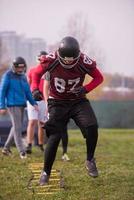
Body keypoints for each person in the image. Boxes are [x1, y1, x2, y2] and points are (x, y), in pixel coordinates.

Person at [31, 36, 104, 185]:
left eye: (72, 59)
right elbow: (35, 74)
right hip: (57, 102)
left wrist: (85, 88)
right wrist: (34, 89)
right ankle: (46, 172)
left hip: (77, 101)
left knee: (91, 126)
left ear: (78, 54)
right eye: (66, 59)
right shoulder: (51, 59)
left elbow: (99, 78)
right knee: (54, 136)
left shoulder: (84, 61)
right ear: (60, 54)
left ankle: (90, 159)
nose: (69, 62)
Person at [0, 57, 38, 159]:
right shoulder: (7, 75)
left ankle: (6, 148)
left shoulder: (23, 77)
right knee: (18, 128)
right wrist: (2, 106)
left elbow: (27, 92)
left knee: (15, 127)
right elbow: (2, 91)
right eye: (18, 68)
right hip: (12, 105)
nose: (20, 69)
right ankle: (22, 152)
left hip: (22, 104)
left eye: (22, 67)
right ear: (14, 67)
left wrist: (33, 103)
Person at [43, 71, 70, 161]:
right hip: (53, 102)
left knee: (63, 128)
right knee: (52, 129)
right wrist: (48, 104)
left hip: (65, 102)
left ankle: (64, 153)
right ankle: (49, 151)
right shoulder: (49, 70)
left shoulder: (66, 70)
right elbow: (45, 88)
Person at [26, 51, 48, 154]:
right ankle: (29, 144)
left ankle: (40, 144)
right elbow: (29, 85)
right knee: (32, 121)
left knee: (42, 123)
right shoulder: (32, 70)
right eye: (40, 59)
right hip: (32, 99)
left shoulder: (48, 71)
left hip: (43, 100)